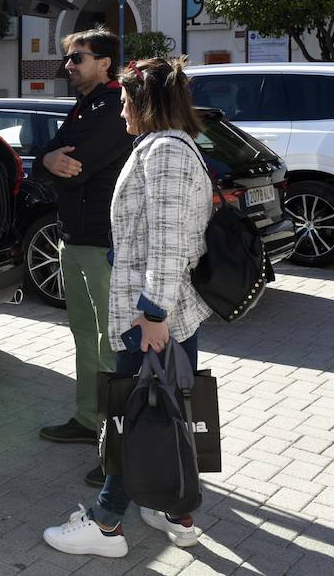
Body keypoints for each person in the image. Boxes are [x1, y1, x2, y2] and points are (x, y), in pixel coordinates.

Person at [43, 57, 214, 558]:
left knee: (129, 419)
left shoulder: (163, 151)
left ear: (144, 102)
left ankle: (106, 525)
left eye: (124, 102)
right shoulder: (175, 146)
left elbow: (167, 242)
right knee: (168, 417)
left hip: (154, 315)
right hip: (167, 311)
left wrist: (153, 315)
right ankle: (172, 512)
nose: (120, 113)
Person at [33, 30, 134, 487]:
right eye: (68, 58)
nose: (68, 65)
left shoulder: (114, 105)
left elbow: (78, 167)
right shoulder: (81, 106)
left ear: (105, 62)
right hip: (73, 239)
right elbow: (46, 159)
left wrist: (54, 162)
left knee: (111, 346)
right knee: (83, 335)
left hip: (104, 242)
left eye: (77, 58)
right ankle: (87, 418)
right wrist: (47, 159)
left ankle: (119, 446)